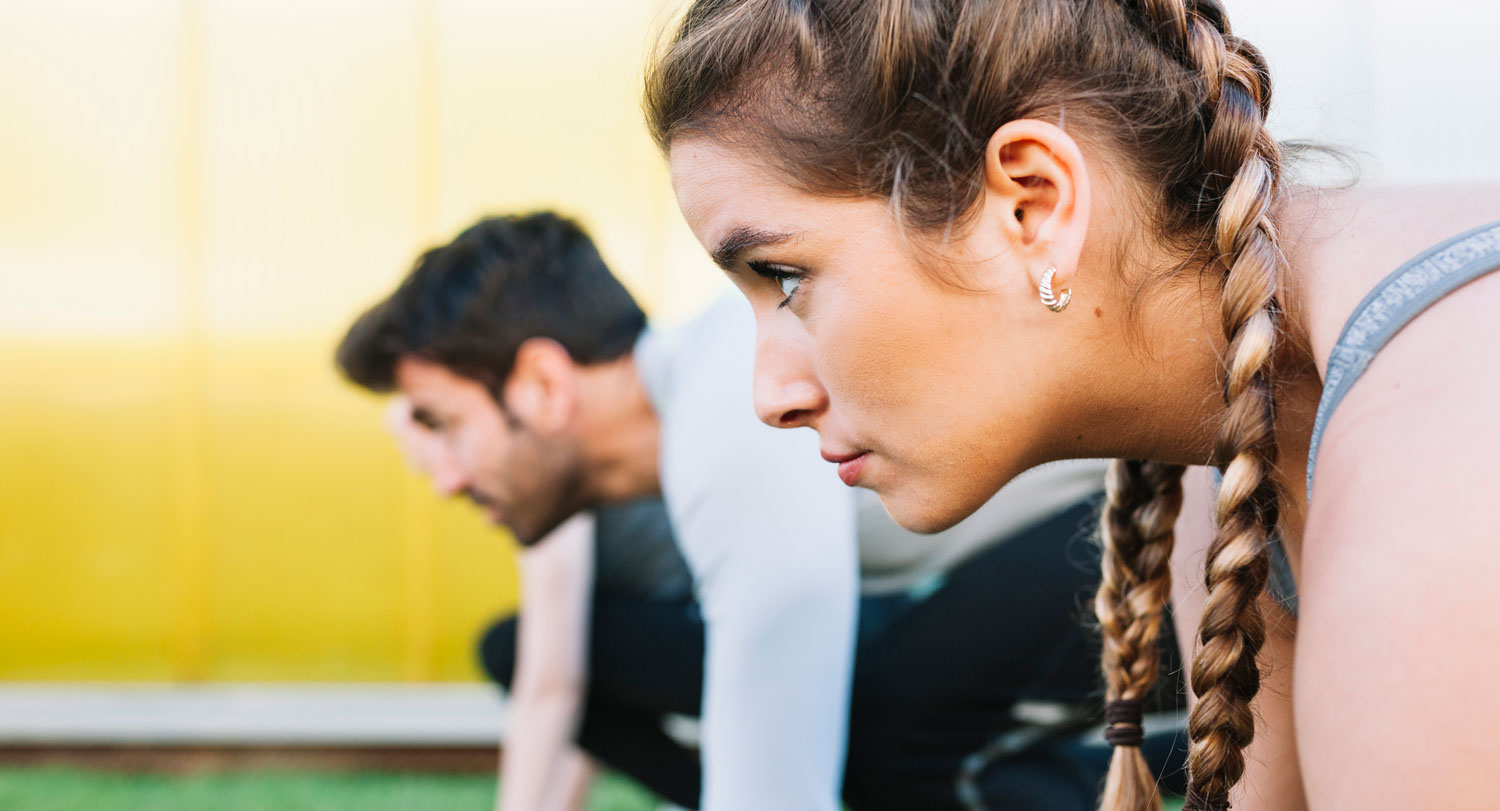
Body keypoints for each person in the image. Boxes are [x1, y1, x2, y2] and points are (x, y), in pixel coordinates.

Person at [645, 2, 1500, 810]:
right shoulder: (1237, 479)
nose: (770, 396)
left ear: (1033, 204)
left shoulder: (1443, 486)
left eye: (786, 280)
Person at [336, 213, 1184, 810]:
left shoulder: (725, 411)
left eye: (444, 424)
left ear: (544, 386)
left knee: (886, 720)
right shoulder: (702, 402)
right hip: (1092, 553)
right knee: (885, 727)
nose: (443, 481)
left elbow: (774, 790)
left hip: (1182, 527)